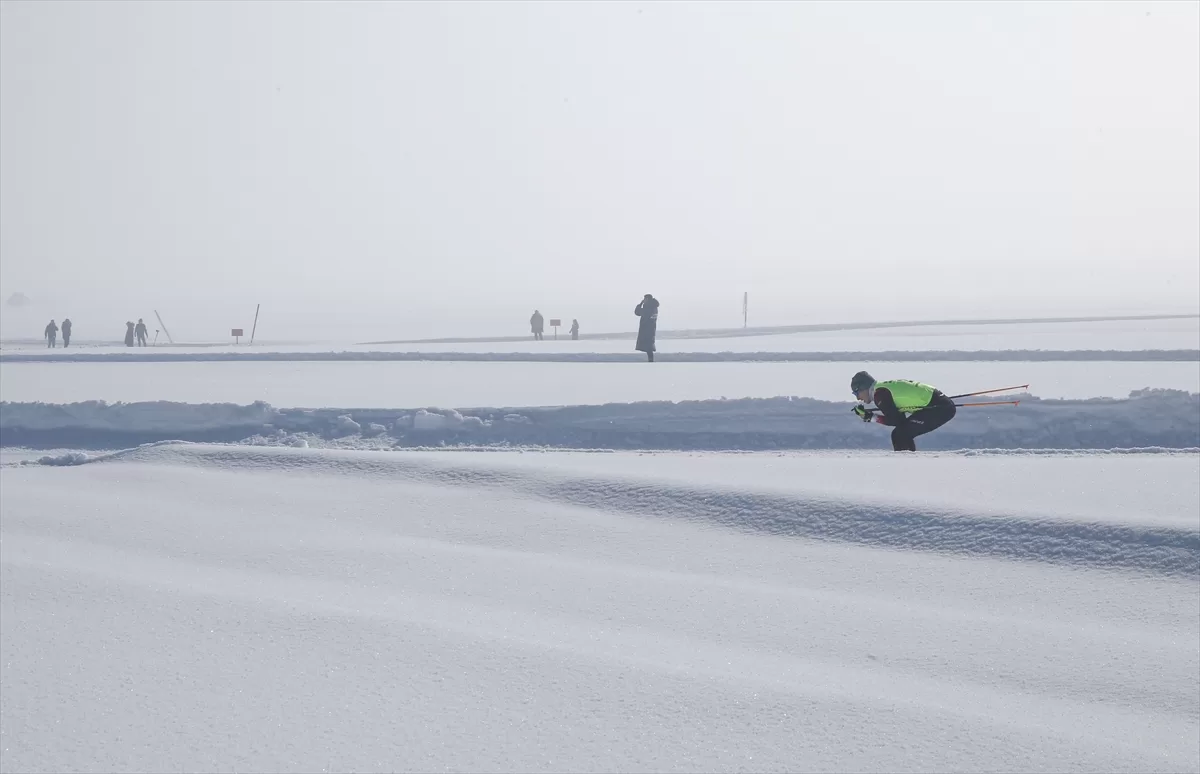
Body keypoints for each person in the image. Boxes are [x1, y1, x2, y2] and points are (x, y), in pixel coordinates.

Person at [851, 371, 956, 452]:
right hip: (940, 404)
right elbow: (900, 420)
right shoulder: (882, 389)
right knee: (901, 433)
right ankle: (907, 464)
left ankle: (906, 467)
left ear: (863, 388)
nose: (858, 398)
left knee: (900, 434)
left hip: (939, 408)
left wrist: (872, 418)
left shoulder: (879, 394)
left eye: (856, 393)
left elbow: (896, 421)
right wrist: (871, 416)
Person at [634, 294, 659, 362]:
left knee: (648, 347)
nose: (644, 300)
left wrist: (640, 304)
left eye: (644, 299)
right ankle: (650, 360)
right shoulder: (654, 307)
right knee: (649, 346)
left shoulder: (649, 308)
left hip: (647, 329)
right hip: (651, 329)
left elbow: (637, 312)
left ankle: (651, 360)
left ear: (647, 299)